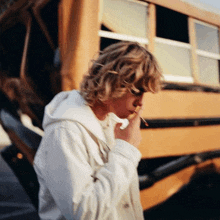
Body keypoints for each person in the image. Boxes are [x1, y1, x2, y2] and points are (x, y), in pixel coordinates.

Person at [33, 41, 162, 220]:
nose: (141, 103)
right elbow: (83, 213)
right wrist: (125, 150)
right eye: (136, 91)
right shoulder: (65, 131)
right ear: (113, 81)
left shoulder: (112, 121)